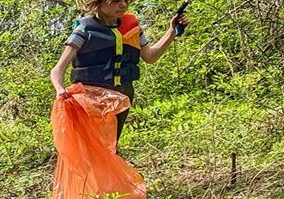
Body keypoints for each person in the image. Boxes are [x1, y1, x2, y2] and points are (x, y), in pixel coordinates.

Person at [48, 0, 187, 143]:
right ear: (99, 3)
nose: (123, 5)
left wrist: (172, 32)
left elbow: (151, 57)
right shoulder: (84, 30)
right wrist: (59, 89)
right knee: (94, 148)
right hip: (91, 99)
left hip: (122, 96)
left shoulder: (133, 29)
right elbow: (58, 69)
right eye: (115, 1)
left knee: (111, 146)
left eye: (126, 0)